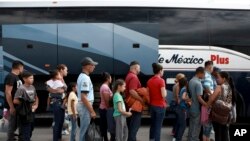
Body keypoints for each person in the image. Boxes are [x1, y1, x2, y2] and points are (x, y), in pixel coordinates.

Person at [207, 72, 237, 141]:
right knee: (224, 133)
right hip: (226, 114)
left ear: (223, 78)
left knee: (218, 133)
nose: (217, 79)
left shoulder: (219, 87)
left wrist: (206, 106)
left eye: (218, 77)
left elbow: (212, 99)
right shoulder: (229, 87)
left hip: (217, 114)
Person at [13, 71, 39, 141]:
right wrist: (25, 103)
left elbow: (36, 97)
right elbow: (15, 100)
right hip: (25, 112)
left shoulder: (32, 87)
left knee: (31, 128)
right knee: (26, 130)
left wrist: (36, 105)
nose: (32, 79)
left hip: (32, 111)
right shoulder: (21, 88)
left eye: (32, 78)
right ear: (24, 79)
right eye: (30, 78)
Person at [77, 57, 97, 141]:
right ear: (87, 66)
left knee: (84, 131)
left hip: (83, 106)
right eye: (93, 65)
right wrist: (92, 111)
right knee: (84, 132)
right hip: (85, 107)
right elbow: (84, 97)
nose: (94, 67)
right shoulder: (85, 78)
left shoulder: (82, 76)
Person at [4, 60, 24, 141]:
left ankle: (12, 136)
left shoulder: (16, 77)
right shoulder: (10, 76)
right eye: (22, 68)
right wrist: (11, 107)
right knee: (12, 124)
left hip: (18, 105)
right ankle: (10, 138)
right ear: (19, 67)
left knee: (15, 124)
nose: (22, 70)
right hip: (13, 105)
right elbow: (8, 92)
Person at [147, 63, 167, 141]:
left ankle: (151, 139)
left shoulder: (149, 81)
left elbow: (148, 93)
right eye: (163, 71)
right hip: (160, 106)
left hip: (152, 106)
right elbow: (163, 95)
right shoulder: (161, 81)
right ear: (160, 71)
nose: (163, 72)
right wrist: (165, 90)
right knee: (158, 127)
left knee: (153, 125)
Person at [187, 67, 208, 141]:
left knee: (191, 126)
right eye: (204, 73)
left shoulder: (191, 81)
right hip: (197, 108)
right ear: (200, 73)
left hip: (191, 107)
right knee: (196, 129)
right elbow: (199, 97)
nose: (204, 75)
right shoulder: (198, 83)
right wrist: (206, 104)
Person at [46, 70, 67, 141]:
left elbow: (62, 90)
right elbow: (64, 88)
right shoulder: (57, 82)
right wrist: (59, 89)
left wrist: (55, 90)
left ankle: (59, 137)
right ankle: (56, 138)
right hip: (57, 103)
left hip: (60, 103)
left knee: (61, 121)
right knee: (58, 122)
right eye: (59, 75)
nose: (60, 76)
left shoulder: (51, 82)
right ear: (55, 76)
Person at [125, 61, 142, 141]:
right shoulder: (134, 77)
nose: (140, 70)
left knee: (131, 127)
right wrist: (141, 100)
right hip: (134, 106)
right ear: (135, 68)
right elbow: (132, 91)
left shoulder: (128, 75)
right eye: (139, 68)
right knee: (134, 128)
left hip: (130, 105)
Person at [201, 61, 215, 141]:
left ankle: (206, 138)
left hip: (205, 100)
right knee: (208, 123)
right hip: (208, 101)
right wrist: (212, 96)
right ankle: (207, 139)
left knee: (205, 123)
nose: (212, 69)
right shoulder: (207, 75)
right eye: (212, 67)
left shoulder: (204, 74)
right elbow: (206, 86)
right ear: (210, 66)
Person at [99, 72, 114, 141]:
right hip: (105, 109)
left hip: (104, 109)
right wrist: (110, 110)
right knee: (106, 126)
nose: (111, 79)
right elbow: (107, 101)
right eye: (110, 77)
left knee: (105, 126)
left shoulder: (105, 86)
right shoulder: (105, 87)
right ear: (108, 78)